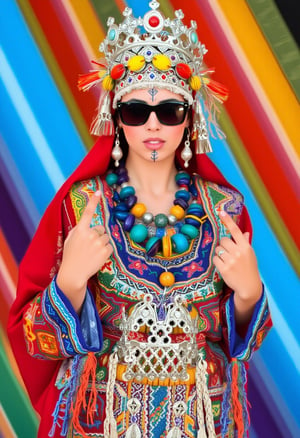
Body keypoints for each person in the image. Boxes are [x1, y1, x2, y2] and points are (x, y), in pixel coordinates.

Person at [7, 1, 272, 437]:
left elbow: (242, 347)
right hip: (102, 422)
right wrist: (69, 284)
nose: (153, 125)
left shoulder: (225, 209)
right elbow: (33, 339)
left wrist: (249, 293)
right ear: (115, 116)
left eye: (169, 111)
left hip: (200, 421)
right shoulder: (82, 206)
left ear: (189, 119)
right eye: (135, 111)